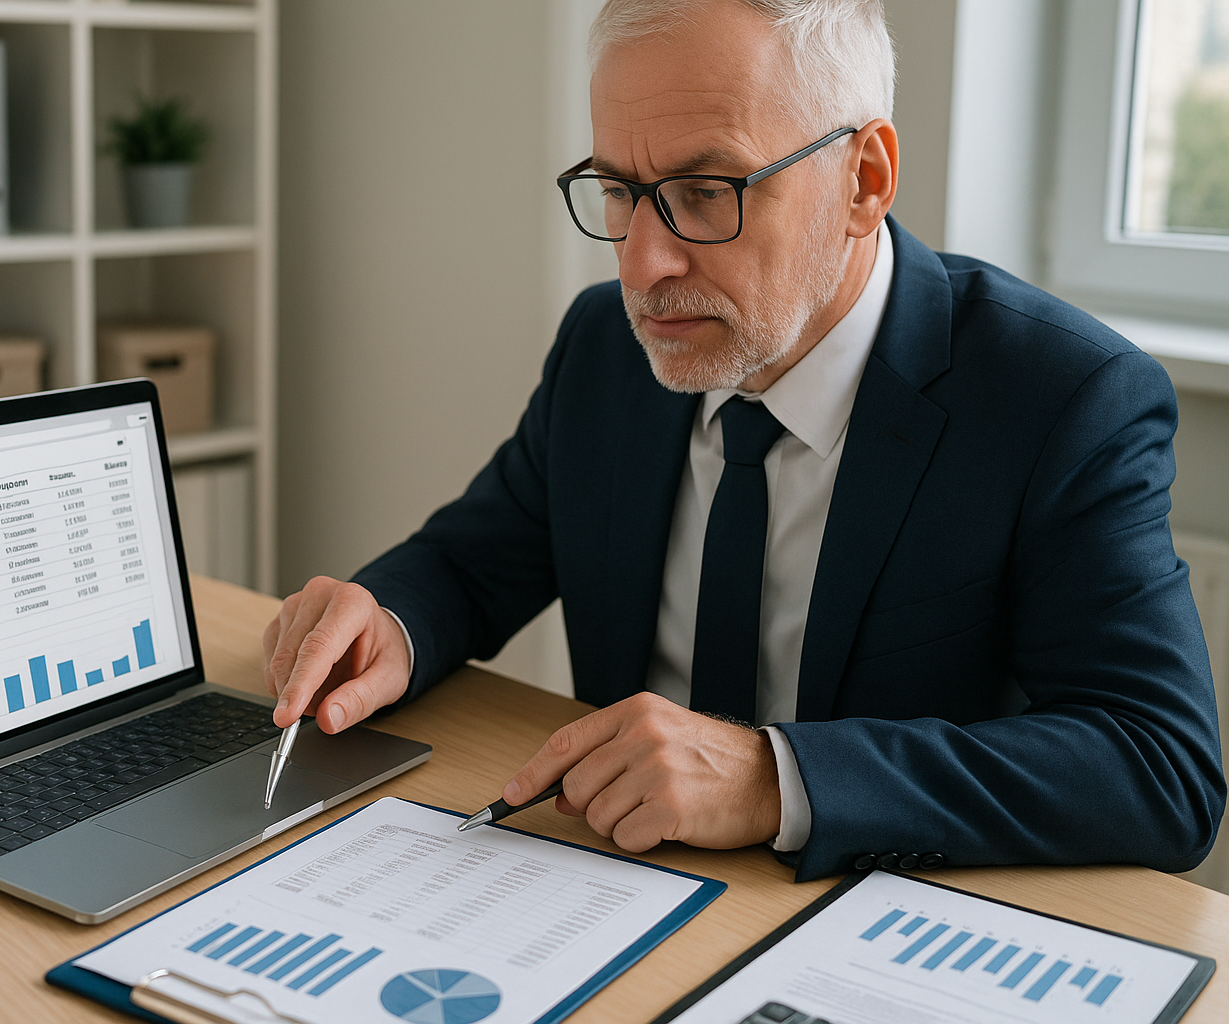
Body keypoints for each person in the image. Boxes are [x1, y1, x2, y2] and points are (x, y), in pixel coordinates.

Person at [261, 0, 1226, 882]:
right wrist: (388, 620)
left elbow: (1159, 767)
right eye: (619, 189)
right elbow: (477, 561)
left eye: (707, 189)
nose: (645, 263)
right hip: (602, 887)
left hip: (868, 927)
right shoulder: (606, 346)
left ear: (865, 179)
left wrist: (776, 779)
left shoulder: (1061, 398)